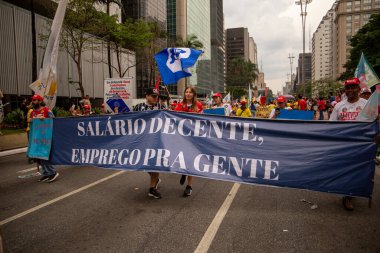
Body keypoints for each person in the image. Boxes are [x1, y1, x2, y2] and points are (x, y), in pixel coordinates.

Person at [329, 77, 368, 211]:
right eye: (348, 88)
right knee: (346, 170)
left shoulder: (366, 104)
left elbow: (374, 123)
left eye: (353, 87)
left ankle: (354, 190)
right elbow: (331, 126)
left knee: (359, 170)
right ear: (345, 90)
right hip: (344, 145)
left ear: (359, 89)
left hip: (362, 145)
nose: (350, 90)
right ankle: (348, 195)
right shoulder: (339, 106)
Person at [133, 88, 165, 199]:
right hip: (142, 141)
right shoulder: (138, 107)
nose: (155, 98)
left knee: (155, 164)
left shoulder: (161, 108)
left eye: (157, 96)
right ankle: (155, 179)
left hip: (156, 142)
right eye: (153, 96)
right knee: (143, 164)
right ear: (146, 96)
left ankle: (152, 189)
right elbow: (131, 121)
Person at [175, 86, 203, 197]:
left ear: (193, 94)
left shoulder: (199, 105)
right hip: (182, 138)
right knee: (182, 158)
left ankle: (189, 186)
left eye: (190, 92)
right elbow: (174, 118)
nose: (188, 94)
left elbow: (203, 119)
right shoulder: (180, 105)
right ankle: (183, 171)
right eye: (186, 92)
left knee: (191, 160)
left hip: (194, 138)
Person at [28, 94, 59, 183]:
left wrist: (44, 118)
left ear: (40, 101)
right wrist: (33, 119)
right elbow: (29, 120)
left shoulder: (46, 110)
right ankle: (46, 173)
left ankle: (52, 172)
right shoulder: (33, 111)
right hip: (37, 137)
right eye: (33, 100)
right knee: (39, 156)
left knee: (45, 155)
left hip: (46, 136)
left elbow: (53, 119)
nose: (34, 102)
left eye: (36, 100)